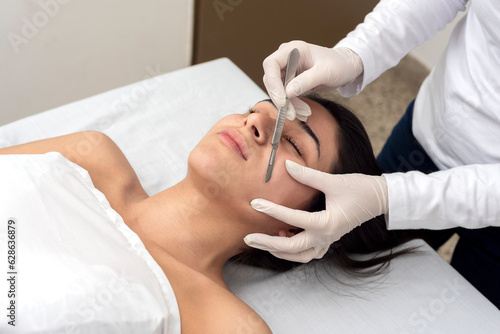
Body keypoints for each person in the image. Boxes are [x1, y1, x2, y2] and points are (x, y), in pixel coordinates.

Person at [0, 96, 410, 332]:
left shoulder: (220, 322)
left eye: (293, 144)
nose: (255, 123)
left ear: (296, 227)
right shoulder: (92, 155)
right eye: (257, 108)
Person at [245, 0, 500, 308]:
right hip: (427, 135)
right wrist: (354, 53)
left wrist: (387, 196)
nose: (255, 119)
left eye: (297, 146)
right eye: (250, 110)